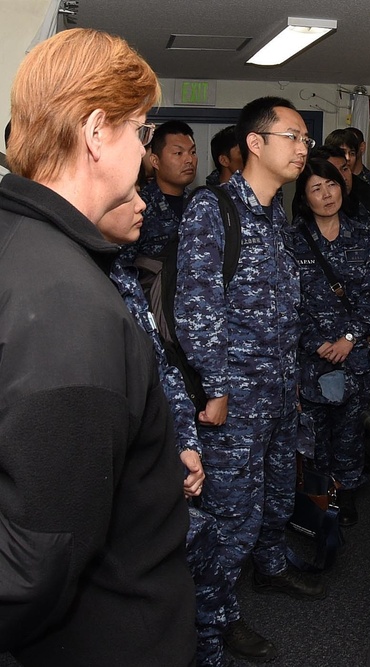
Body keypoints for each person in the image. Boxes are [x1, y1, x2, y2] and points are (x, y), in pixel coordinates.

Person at [0, 28, 195, 664]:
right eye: (139, 132)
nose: (144, 152)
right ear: (94, 132)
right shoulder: (68, 304)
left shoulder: (20, 241)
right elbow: (33, 568)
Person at [174, 96, 326, 663]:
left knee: (272, 498)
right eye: (292, 136)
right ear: (255, 144)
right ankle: (213, 623)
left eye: (306, 139)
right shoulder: (213, 209)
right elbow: (197, 307)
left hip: (278, 395)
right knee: (228, 516)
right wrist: (214, 388)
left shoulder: (276, 214)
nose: (303, 148)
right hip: (234, 401)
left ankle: (269, 571)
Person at [103, 191, 231, 667]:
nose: (142, 204)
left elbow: (162, 372)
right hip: (110, 490)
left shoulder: (121, 273)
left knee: (199, 550)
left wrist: (186, 445)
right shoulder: (56, 276)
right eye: (127, 195)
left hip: (153, 468)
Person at [284, 159, 370, 525]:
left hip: (353, 355)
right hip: (310, 359)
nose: (326, 195)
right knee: (313, 435)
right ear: (304, 198)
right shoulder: (292, 240)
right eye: (316, 189)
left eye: (331, 185)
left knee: (350, 432)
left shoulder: (363, 235)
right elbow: (285, 302)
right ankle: (316, 495)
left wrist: (348, 338)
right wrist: (316, 342)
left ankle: (345, 495)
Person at [133, 120, 198, 264]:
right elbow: (122, 265)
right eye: (178, 153)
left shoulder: (200, 204)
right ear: (155, 161)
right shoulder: (140, 207)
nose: (189, 159)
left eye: (193, 152)